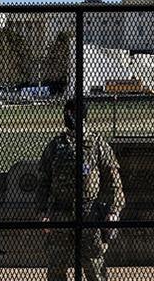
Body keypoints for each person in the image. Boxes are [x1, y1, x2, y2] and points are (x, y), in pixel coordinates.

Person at [36, 97, 124, 281]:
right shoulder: (56, 145)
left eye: (74, 113)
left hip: (88, 212)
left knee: (93, 263)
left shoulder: (96, 143)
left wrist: (114, 210)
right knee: (57, 265)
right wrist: (42, 211)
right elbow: (43, 181)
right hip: (61, 211)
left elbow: (113, 178)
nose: (71, 117)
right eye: (69, 113)